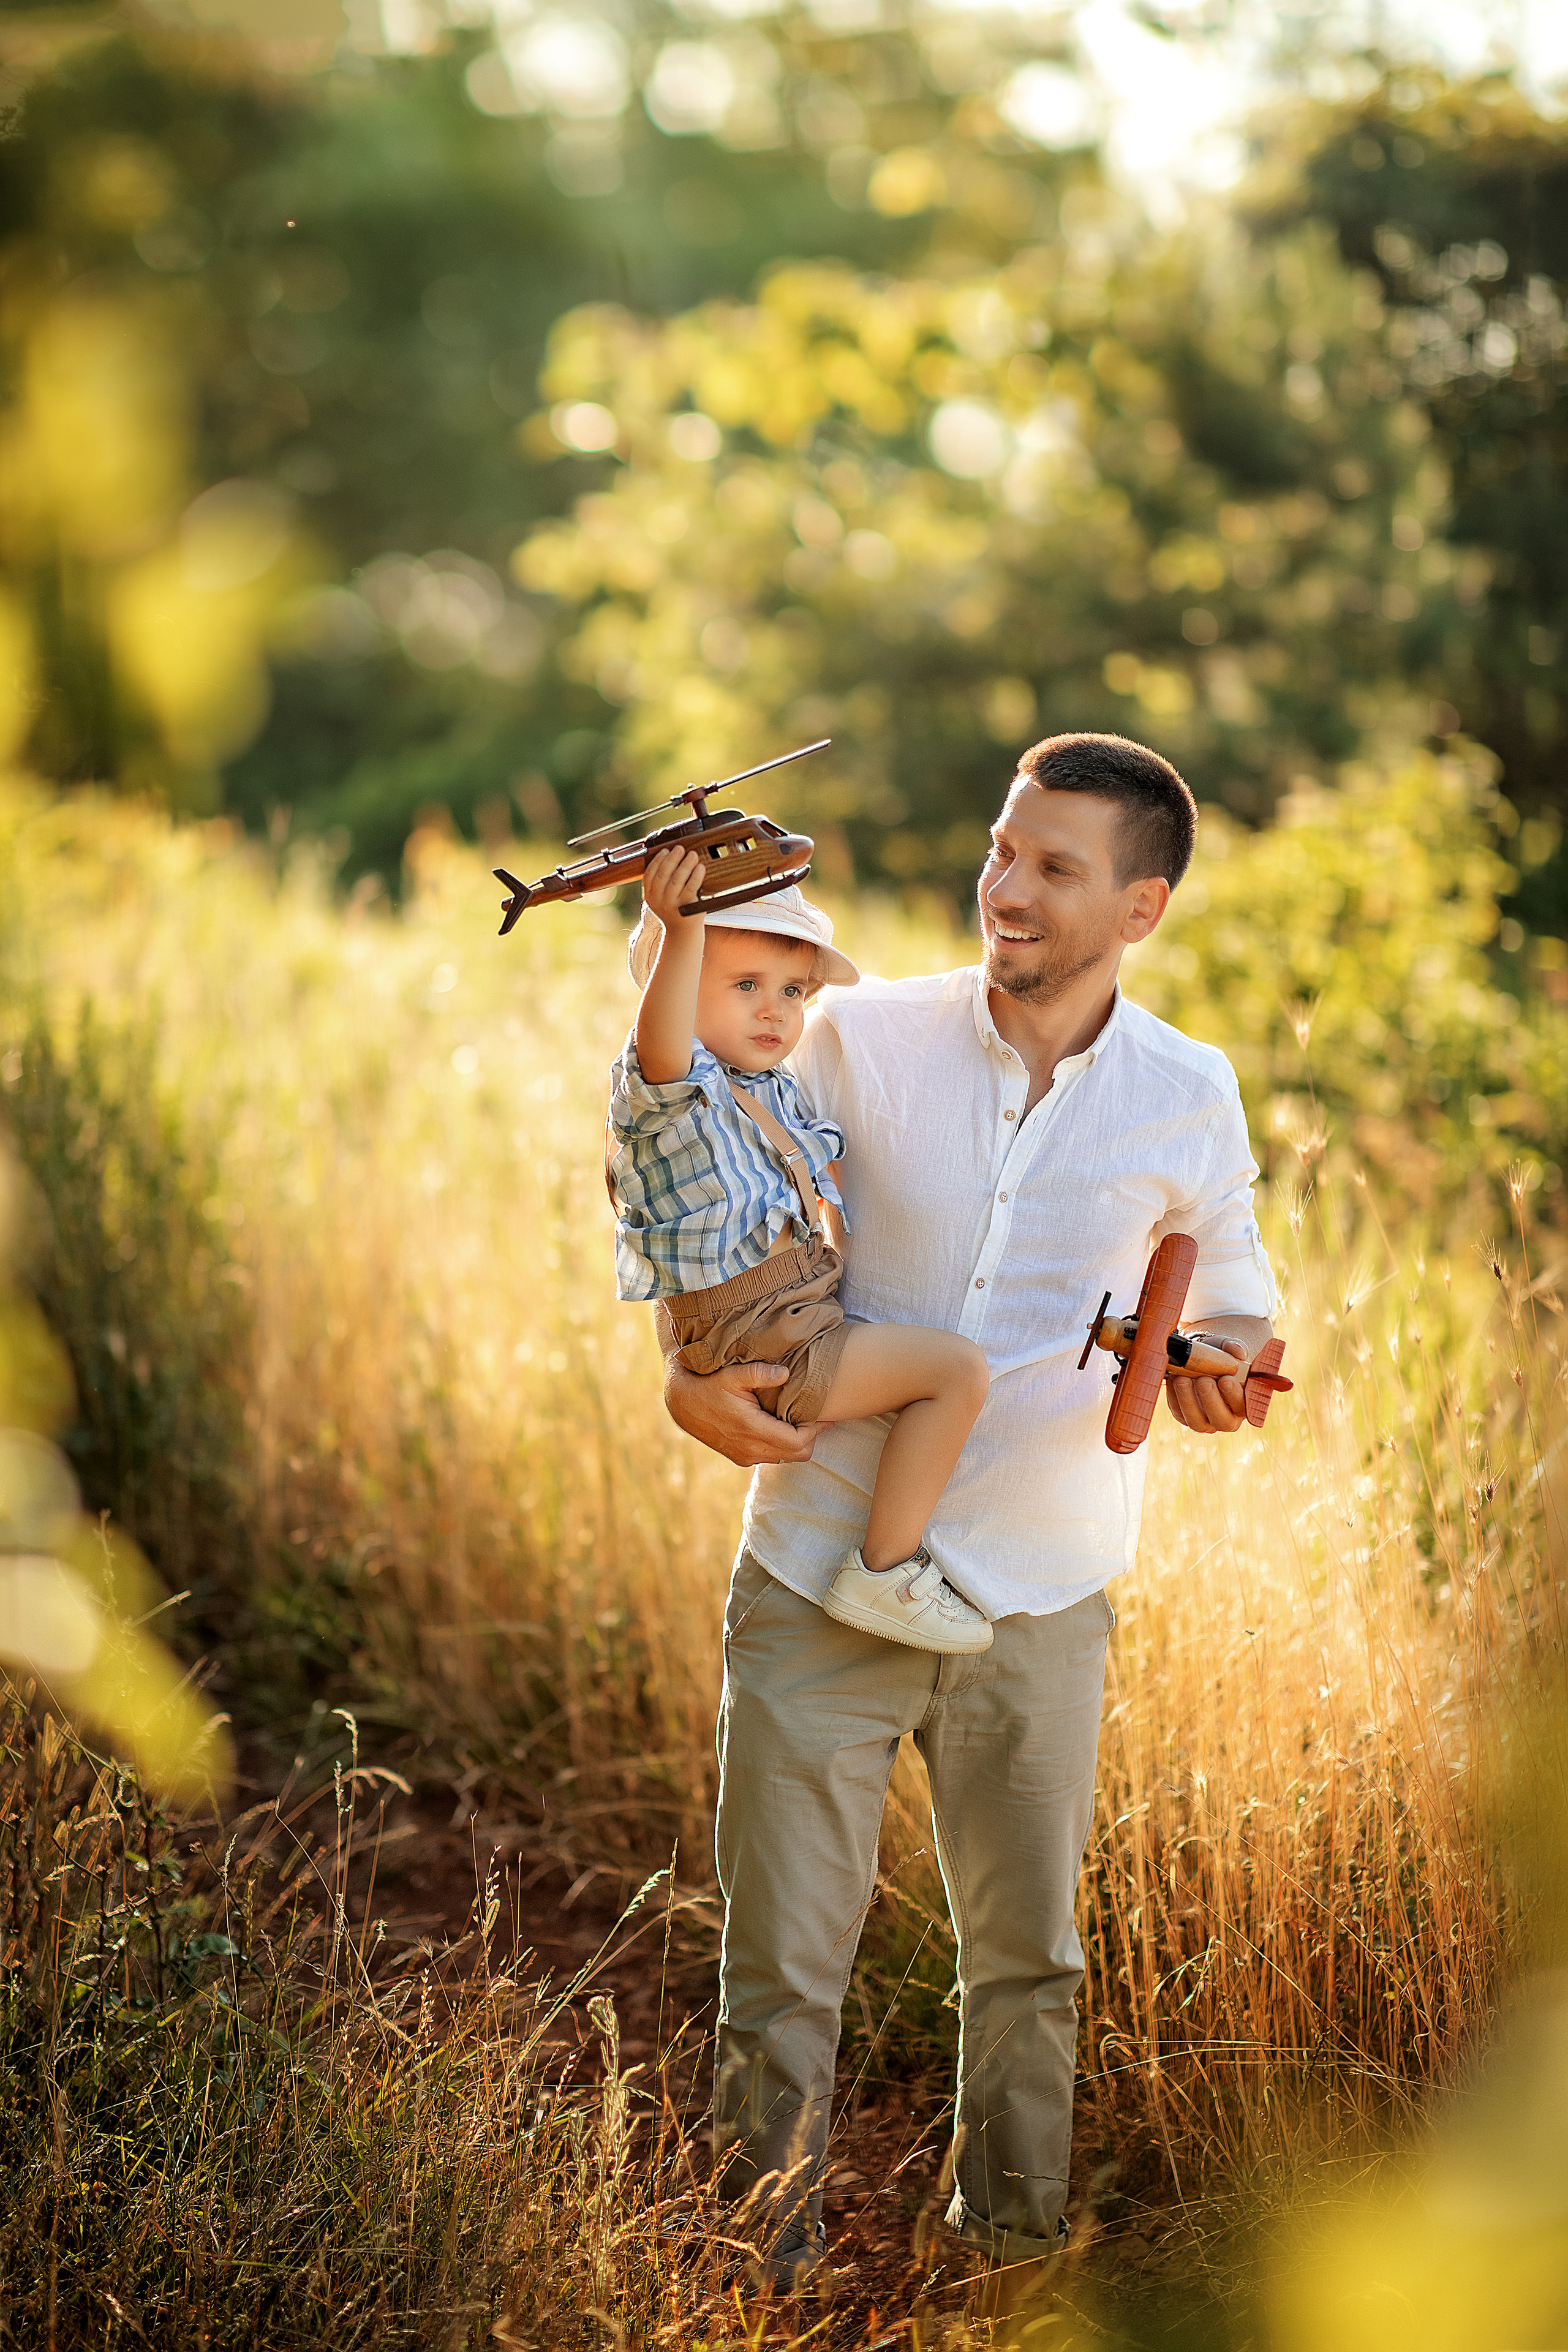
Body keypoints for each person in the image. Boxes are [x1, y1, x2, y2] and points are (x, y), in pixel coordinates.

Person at [659, 733, 1280, 2297]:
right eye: (1003, 848)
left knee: (1028, 1970)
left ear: (1137, 908)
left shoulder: (1187, 1094)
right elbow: (693, 1183)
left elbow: (1236, 1320)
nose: (1004, 886)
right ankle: (758, 2270)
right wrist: (678, 1370)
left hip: (1035, 1602)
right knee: (777, 1976)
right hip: (813, 1571)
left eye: (1053, 868)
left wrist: (1217, 1376)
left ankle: (1004, 2268)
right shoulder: (855, 1035)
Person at [609, 848, 993, 1654]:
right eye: (745, 985)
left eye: (792, 991)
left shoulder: (773, 1086)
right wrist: (681, 937)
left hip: (784, 1312)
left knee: (935, 1366)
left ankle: (894, 1554)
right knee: (955, 1372)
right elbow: (659, 1038)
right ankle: (885, 1570)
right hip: (766, 1335)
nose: (776, 1011)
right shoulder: (679, 1087)